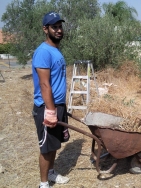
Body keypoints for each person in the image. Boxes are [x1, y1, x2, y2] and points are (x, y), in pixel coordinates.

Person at [32, 11, 70, 188]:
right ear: (45, 29)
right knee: (46, 148)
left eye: (60, 26)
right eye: (54, 27)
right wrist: (50, 110)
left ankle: (52, 173)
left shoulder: (55, 50)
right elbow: (45, 84)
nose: (59, 30)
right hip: (47, 107)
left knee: (54, 144)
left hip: (57, 105)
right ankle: (43, 183)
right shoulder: (43, 52)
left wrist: (60, 106)